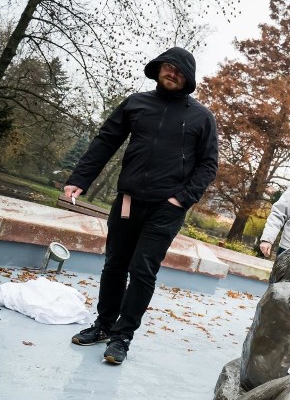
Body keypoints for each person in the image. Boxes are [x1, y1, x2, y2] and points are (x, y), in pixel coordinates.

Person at [65, 47, 218, 365]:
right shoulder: (137, 103)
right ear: (158, 69)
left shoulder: (201, 117)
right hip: (128, 201)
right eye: (167, 66)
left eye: (179, 70)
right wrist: (81, 178)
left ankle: (122, 338)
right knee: (114, 265)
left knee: (143, 271)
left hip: (166, 208)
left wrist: (182, 199)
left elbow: (208, 164)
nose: (171, 72)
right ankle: (104, 326)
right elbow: (106, 139)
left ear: (188, 77)